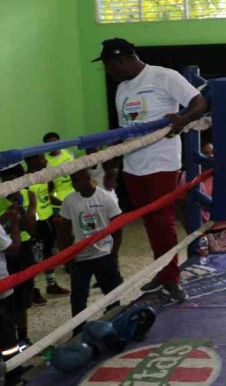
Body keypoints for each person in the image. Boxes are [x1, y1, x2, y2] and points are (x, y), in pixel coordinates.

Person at [93, 37, 208, 303]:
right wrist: (115, 166)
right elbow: (125, 130)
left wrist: (182, 119)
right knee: (150, 221)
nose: (107, 71)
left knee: (162, 220)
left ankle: (171, 279)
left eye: (108, 65)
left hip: (161, 163)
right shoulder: (122, 89)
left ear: (120, 60)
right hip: (133, 165)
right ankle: (163, 271)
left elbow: (199, 102)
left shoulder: (164, 76)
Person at [57, 169, 123, 331]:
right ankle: (78, 330)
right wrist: (67, 256)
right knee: (78, 297)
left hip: (103, 254)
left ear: (87, 179)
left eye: (76, 180)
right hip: (80, 256)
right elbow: (64, 230)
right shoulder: (69, 200)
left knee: (111, 293)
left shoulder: (105, 197)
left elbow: (118, 226)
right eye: (72, 181)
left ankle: (116, 324)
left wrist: (114, 252)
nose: (73, 184)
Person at [0, 165, 38, 349]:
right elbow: (3, 232)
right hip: (6, 253)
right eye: (7, 181)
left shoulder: (26, 196)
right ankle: (9, 339)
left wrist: (30, 208)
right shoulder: (0, 200)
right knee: (7, 299)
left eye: (14, 181)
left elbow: (31, 229)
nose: (11, 186)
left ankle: (23, 338)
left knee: (22, 297)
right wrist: (10, 222)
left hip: (23, 250)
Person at [25, 154, 70, 303]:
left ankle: (51, 284)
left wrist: (63, 204)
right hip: (35, 225)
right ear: (33, 161)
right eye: (42, 159)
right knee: (33, 259)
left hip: (48, 220)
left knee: (49, 253)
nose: (45, 161)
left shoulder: (42, 176)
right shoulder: (25, 182)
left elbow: (46, 197)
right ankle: (32, 290)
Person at [0, 189, 22, 361]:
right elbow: (13, 249)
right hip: (2, 285)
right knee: (6, 329)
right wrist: (14, 224)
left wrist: (4, 219)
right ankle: (14, 368)